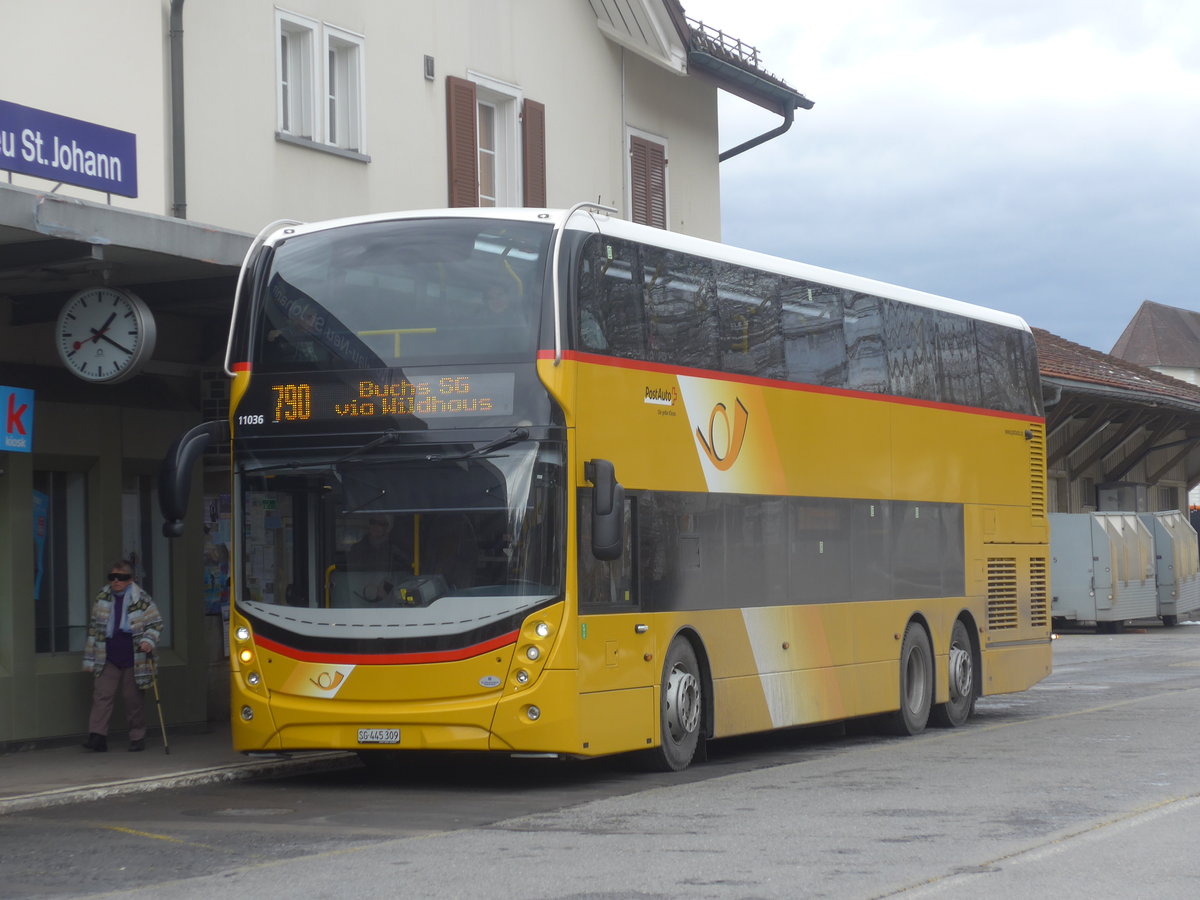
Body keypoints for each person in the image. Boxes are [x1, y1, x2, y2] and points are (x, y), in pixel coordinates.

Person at [81, 560, 163, 752]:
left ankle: (137, 736)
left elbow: (155, 623)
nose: (116, 581)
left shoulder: (142, 598)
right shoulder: (103, 597)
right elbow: (94, 627)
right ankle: (97, 737)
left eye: (122, 577)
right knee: (102, 695)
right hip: (107, 654)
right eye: (112, 577)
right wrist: (91, 654)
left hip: (134, 656)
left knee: (132, 697)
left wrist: (148, 641)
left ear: (131, 579)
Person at [347, 516, 412, 603]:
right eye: (373, 522)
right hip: (359, 597)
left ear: (387, 528)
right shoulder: (357, 548)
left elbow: (405, 572)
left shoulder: (394, 550)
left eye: (381, 524)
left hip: (387, 600)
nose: (375, 526)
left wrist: (386, 587)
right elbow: (351, 573)